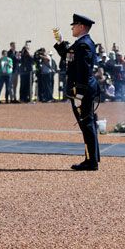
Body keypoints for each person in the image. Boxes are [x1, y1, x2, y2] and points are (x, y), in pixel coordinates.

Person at [53, 14, 100, 171]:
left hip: (81, 90)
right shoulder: (81, 43)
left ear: (81, 27)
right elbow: (69, 56)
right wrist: (60, 42)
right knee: (88, 123)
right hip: (82, 89)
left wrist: (79, 93)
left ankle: (90, 161)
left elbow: (83, 71)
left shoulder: (83, 45)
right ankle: (92, 158)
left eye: (74, 25)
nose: (72, 28)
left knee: (86, 124)